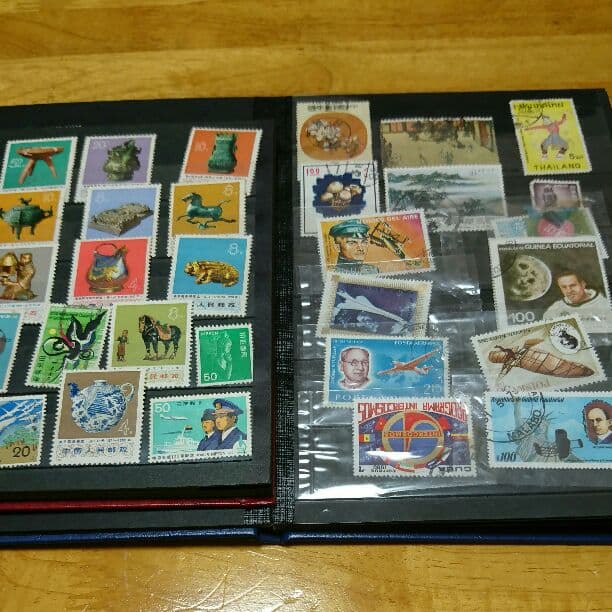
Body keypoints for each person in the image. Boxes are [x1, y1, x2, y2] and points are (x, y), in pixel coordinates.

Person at [542, 270, 609, 320]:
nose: (569, 291)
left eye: (573, 285)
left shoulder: (604, 304)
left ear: (583, 284)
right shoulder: (555, 308)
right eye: (564, 287)